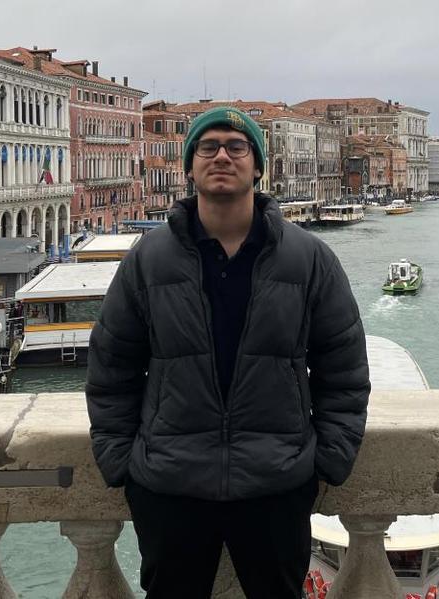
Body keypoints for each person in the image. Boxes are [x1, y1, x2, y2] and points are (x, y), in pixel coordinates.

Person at [86, 106, 370, 599]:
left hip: (275, 484)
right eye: (208, 147)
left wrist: (329, 459)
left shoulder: (310, 258)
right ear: (190, 166)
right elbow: (112, 365)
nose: (222, 156)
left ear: (257, 167)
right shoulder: (147, 260)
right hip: (170, 485)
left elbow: (343, 366)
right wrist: (119, 461)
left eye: (237, 147)